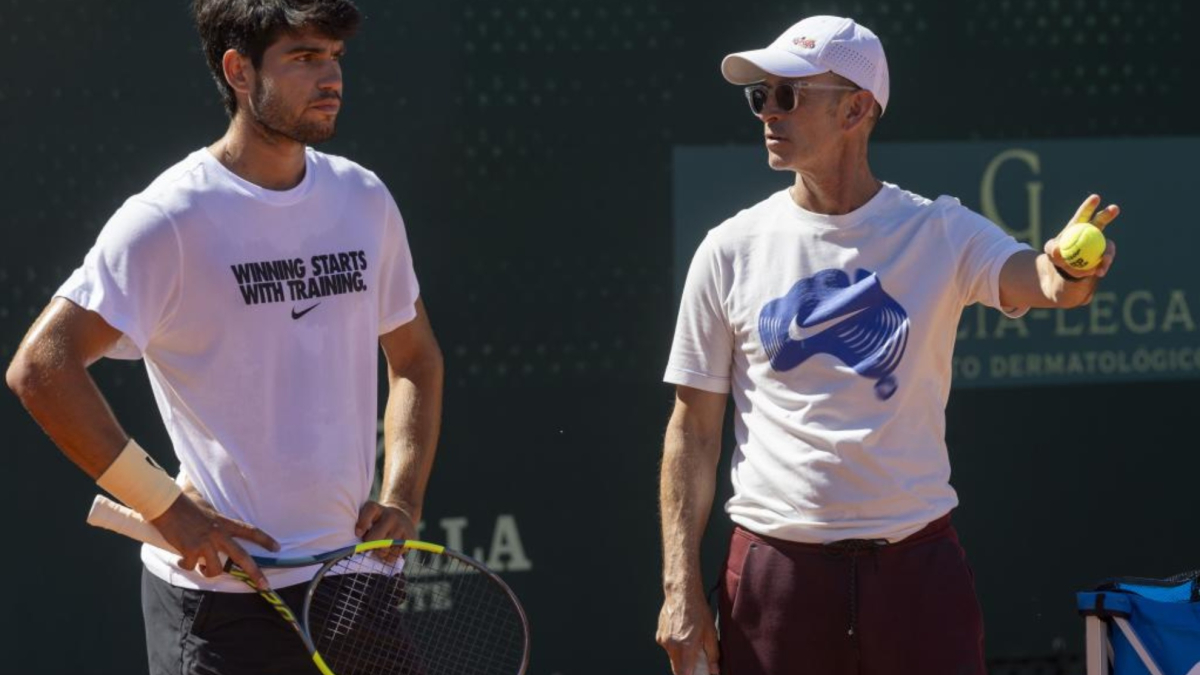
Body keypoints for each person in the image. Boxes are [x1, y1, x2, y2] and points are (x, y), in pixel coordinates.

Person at [655, 15, 1118, 675]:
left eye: (789, 95)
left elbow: (1042, 281)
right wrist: (679, 586)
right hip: (774, 578)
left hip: (916, 578)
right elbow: (692, 429)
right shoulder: (728, 249)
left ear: (856, 109)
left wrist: (1068, 272)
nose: (768, 113)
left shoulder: (940, 230)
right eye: (761, 95)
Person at [5, 1, 444, 673]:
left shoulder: (365, 200)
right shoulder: (168, 219)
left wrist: (404, 497)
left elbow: (414, 357)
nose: (331, 77)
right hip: (222, 604)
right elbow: (42, 367)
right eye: (303, 58)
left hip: (353, 585)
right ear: (239, 70)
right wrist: (168, 509)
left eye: (335, 56)